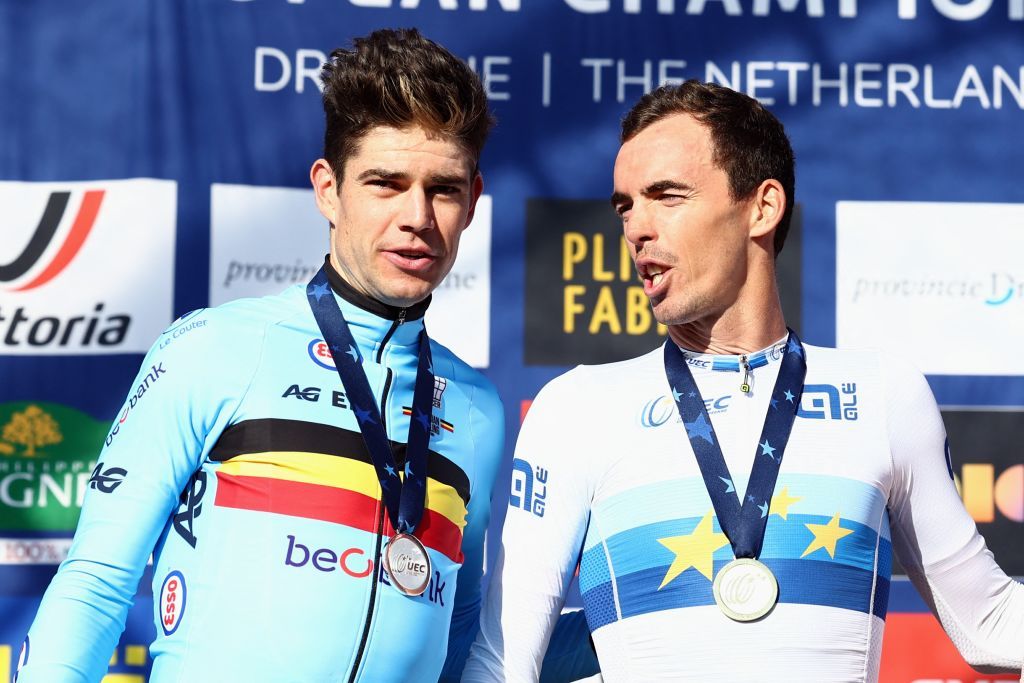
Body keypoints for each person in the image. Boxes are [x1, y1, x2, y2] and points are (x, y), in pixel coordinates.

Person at [463, 80, 1024, 682]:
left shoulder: (885, 395)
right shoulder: (577, 408)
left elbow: (989, 622)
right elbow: (503, 660)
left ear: (762, 207)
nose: (636, 228)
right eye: (626, 205)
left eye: (667, 196)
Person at [19, 27, 504, 683]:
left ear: (473, 202)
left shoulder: (477, 407)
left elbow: (465, 637)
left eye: (442, 188)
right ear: (328, 190)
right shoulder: (216, 347)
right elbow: (97, 581)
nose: (417, 215)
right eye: (386, 183)